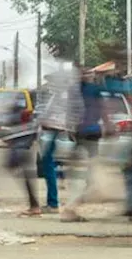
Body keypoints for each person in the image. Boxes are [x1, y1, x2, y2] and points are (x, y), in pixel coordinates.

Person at [61, 70, 112, 223]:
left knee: (80, 165)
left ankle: (77, 186)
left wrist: (69, 128)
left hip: (80, 132)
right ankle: (74, 203)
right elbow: (103, 109)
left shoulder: (73, 90)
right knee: (93, 164)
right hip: (91, 132)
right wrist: (108, 124)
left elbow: (69, 111)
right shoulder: (94, 90)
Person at [33, 72, 81, 215]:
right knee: (53, 166)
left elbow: (52, 116)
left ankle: (53, 203)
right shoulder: (61, 95)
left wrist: (40, 123)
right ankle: (56, 200)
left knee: (49, 165)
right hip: (58, 133)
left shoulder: (62, 96)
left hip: (56, 133)